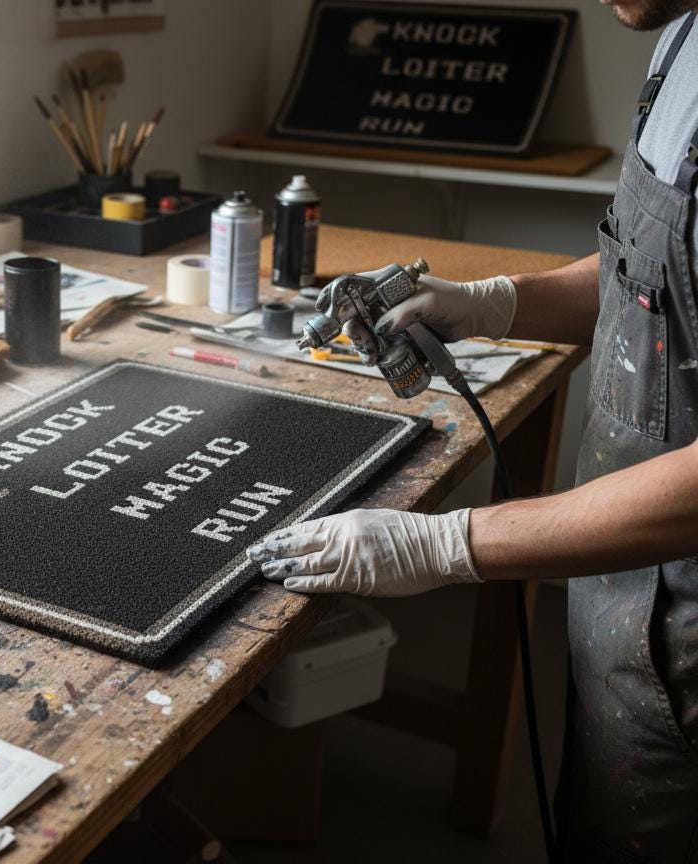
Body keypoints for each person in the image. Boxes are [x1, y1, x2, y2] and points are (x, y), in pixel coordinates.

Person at [247, 3, 698, 861]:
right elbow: (653, 270)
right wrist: (495, 302)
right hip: (615, 588)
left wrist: (449, 544)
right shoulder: (682, 38)